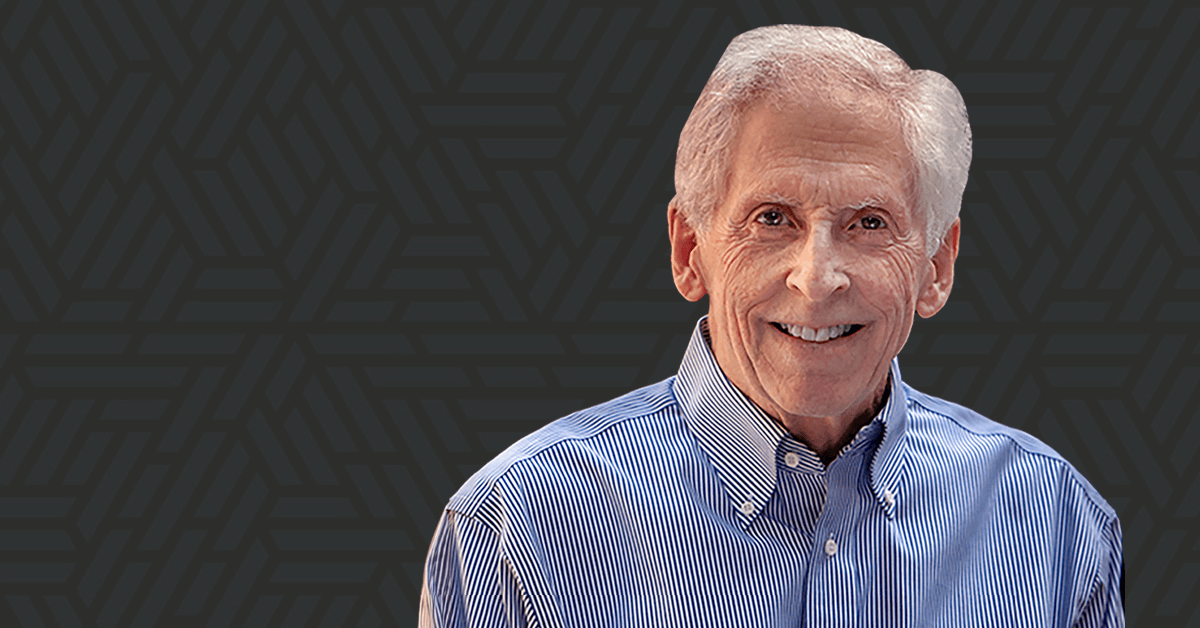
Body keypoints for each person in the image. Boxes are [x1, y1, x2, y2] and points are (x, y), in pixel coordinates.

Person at [419, 25, 1123, 627]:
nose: (817, 277)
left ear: (936, 265)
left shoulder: (1053, 519)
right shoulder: (514, 527)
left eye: (869, 223)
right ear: (690, 251)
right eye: (772, 219)